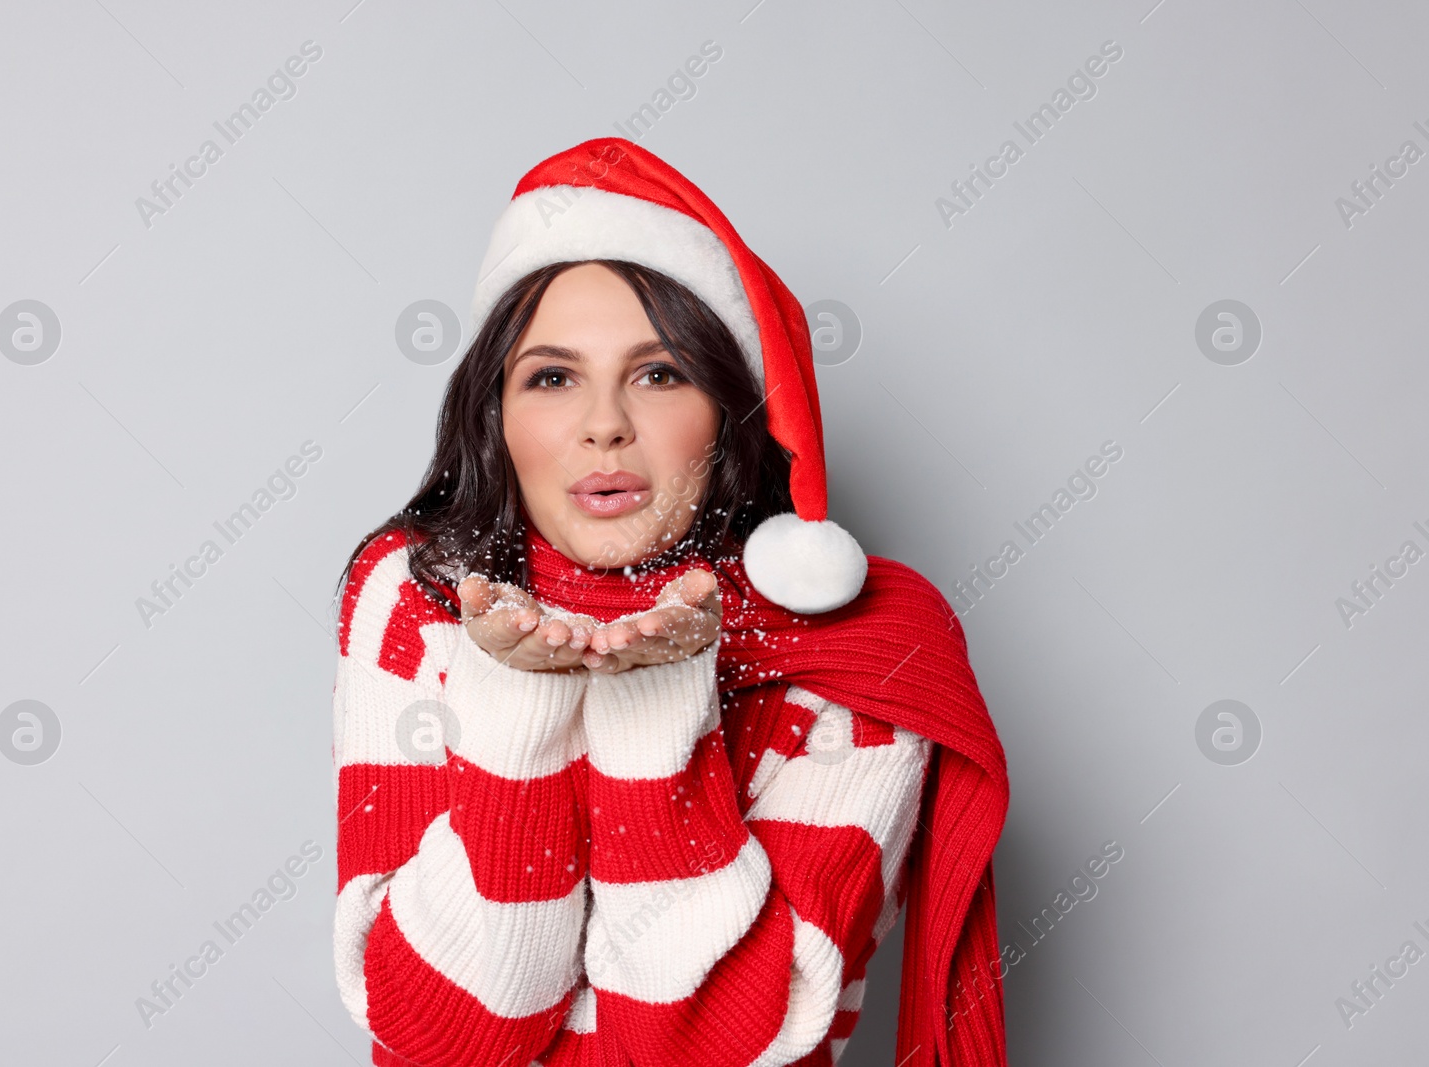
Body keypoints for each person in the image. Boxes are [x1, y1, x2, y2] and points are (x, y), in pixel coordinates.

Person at [331, 138, 1010, 1067]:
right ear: (496, 414)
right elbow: (446, 1037)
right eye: (552, 376)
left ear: (729, 411)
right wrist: (519, 696)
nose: (604, 422)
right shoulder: (415, 595)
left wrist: (656, 708)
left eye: (659, 374)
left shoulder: (870, 649)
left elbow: (696, 1048)